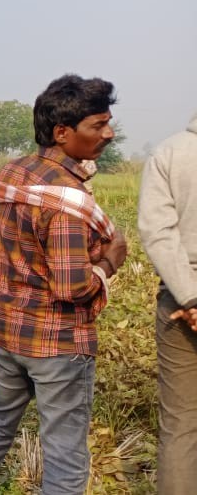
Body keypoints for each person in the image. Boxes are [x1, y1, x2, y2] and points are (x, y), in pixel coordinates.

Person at [0, 75, 128, 495]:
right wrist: (109, 261)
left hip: (8, 329)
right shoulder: (66, 200)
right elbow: (72, 287)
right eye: (98, 125)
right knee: (65, 450)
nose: (108, 134)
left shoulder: (14, 172)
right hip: (57, 342)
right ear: (62, 133)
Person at [138, 111, 197, 495]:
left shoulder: (169, 152)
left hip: (180, 302)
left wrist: (190, 295)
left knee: (181, 425)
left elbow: (158, 232)